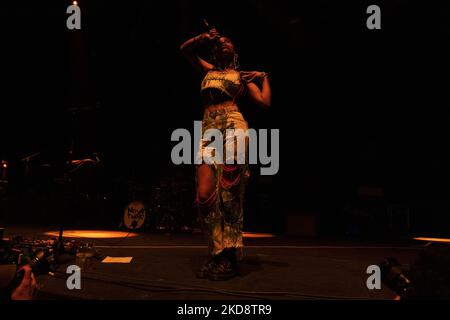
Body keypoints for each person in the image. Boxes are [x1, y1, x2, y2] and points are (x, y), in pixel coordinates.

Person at [180, 28, 271, 280]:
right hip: (209, 128)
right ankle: (215, 250)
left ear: (235, 51)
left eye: (227, 41)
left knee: (230, 192)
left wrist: (264, 77)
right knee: (205, 194)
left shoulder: (241, 76)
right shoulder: (207, 70)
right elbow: (184, 50)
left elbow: (264, 103)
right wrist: (203, 38)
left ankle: (227, 255)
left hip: (233, 124)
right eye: (219, 42)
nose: (223, 44)